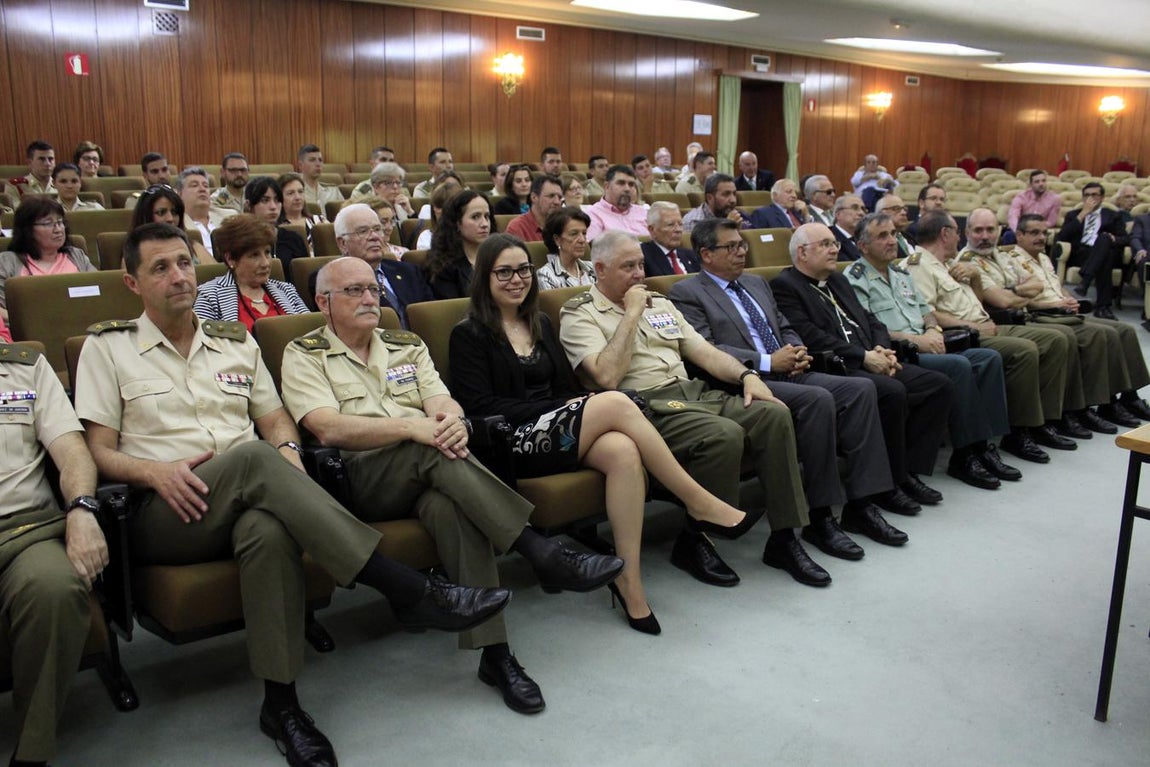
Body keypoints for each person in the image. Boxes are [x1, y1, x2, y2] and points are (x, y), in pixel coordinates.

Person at [75, 223, 510, 767]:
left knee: (268, 525)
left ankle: (281, 705)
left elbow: (276, 420)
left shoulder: (233, 342)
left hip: (249, 499)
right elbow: (98, 451)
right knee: (258, 458)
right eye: (159, 268)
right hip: (166, 509)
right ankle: (403, 586)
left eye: (184, 263)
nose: (178, 276)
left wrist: (287, 456)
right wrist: (153, 473)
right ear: (132, 282)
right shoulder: (107, 347)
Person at [280, 255, 623, 713]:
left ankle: (496, 654)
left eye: (371, 288)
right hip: (360, 479)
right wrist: (415, 429)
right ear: (323, 302)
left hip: (431, 467)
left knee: (454, 507)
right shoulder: (304, 352)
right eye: (353, 291)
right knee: (430, 447)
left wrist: (453, 422)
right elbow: (327, 428)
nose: (369, 298)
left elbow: (441, 399)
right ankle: (537, 548)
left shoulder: (404, 343)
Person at [452, 233, 756, 631]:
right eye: (504, 272)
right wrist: (564, 408)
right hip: (511, 439)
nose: (517, 279)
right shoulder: (469, 334)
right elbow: (481, 408)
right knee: (614, 401)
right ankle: (697, 500)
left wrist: (567, 407)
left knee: (622, 451)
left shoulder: (539, 321)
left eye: (524, 269)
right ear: (484, 279)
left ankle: (628, 581)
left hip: (558, 428)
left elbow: (565, 389)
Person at [560, 230, 830, 590]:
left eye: (641, 264)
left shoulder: (661, 303)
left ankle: (784, 537)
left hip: (693, 394)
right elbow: (606, 377)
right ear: (600, 269)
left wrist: (747, 375)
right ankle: (696, 539)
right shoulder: (579, 313)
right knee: (724, 434)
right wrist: (630, 314)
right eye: (628, 267)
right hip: (640, 406)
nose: (640, 274)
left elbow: (704, 352)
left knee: (773, 414)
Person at [669, 218, 914, 556]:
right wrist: (769, 361)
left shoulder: (755, 283)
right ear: (706, 254)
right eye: (732, 247)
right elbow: (708, 349)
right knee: (818, 399)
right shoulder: (687, 292)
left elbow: (784, 326)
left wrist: (796, 351)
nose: (742, 252)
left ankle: (861, 504)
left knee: (861, 389)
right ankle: (820, 517)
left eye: (742, 245)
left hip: (790, 370)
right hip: (744, 382)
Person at [770, 223, 953, 508]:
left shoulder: (838, 280)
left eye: (835, 243)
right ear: (802, 252)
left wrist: (882, 348)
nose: (835, 249)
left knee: (936, 385)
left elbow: (871, 320)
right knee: (892, 392)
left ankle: (908, 470)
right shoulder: (786, 286)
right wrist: (864, 357)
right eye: (825, 244)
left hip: (870, 357)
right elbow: (811, 336)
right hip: (838, 366)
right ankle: (889, 483)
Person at [846, 212, 1019, 489]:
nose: (892, 241)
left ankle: (983, 446)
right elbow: (868, 327)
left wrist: (931, 330)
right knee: (959, 366)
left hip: (929, 342)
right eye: (882, 236)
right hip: (899, 350)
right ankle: (964, 455)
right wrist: (916, 340)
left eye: (893, 234)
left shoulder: (900, 272)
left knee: (988, 358)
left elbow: (927, 311)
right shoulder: (854, 278)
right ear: (863, 246)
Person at [0, 338, 107, 767]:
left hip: (25, 528)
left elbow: (74, 453)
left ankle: (32, 753)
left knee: (56, 588)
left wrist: (81, 508)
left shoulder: (25, 370)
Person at [903, 210, 1076, 462]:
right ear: (945, 234)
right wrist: (970, 325)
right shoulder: (919, 265)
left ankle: (1047, 419)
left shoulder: (950, 263)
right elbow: (927, 313)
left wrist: (974, 277)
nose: (959, 238)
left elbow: (978, 301)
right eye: (956, 231)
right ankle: (1019, 431)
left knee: (1056, 339)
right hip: (962, 333)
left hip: (986, 323)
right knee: (1024, 350)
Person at [961, 207, 1136, 431]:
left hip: (1028, 314)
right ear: (967, 232)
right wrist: (1021, 294)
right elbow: (1004, 301)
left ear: (999, 230)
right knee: (1072, 337)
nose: (985, 236)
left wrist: (1013, 290)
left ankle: (1107, 402)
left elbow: (1036, 285)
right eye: (978, 230)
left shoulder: (1002, 256)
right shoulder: (969, 261)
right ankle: (1065, 413)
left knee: (1120, 330)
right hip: (1013, 319)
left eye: (990, 229)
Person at [1007, 214, 1150, 422]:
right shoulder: (1012, 261)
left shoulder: (1044, 257)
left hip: (1063, 310)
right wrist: (1055, 304)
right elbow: (1019, 301)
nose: (1041, 237)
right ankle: (1100, 403)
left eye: (1044, 233)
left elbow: (1057, 287)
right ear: (1019, 235)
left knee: (1125, 330)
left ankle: (1130, 397)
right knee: (1103, 333)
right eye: (1034, 233)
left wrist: (1068, 298)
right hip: (1042, 315)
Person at [193, 214, 309, 331]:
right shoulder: (210, 296)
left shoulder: (287, 290)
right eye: (254, 255)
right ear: (230, 259)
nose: (265, 263)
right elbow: (205, 343)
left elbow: (311, 333)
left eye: (267, 252)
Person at [334, 204, 433, 328]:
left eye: (377, 229)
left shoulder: (409, 271)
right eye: (363, 231)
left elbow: (431, 318)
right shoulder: (332, 279)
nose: (374, 237)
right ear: (343, 243)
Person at [0, 197, 98, 322]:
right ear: (27, 229)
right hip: (30, 331)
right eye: (48, 223)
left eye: (60, 222)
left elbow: (98, 292)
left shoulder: (76, 255)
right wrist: (31, 321)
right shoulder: (8, 261)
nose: (58, 229)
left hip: (80, 323)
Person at [1057, 182, 1128, 318]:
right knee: (1104, 256)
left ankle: (1085, 281)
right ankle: (1103, 307)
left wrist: (1113, 239)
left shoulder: (1113, 215)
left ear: (1102, 198)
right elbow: (1062, 236)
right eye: (1087, 195)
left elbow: (1125, 238)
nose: (1091, 198)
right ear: (1083, 198)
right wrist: (1083, 214)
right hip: (1082, 253)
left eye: (1094, 195)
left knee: (1104, 240)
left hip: (1106, 251)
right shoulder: (1073, 215)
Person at [426, 190, 492, 300]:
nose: (485, 224)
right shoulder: (443, 268)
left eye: (487, 216)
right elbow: (455, 310)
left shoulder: (498, 257)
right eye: (475, 217)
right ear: (456, 223)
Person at [243, 176, 309, 280]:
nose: (273, 207)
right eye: (265, 200)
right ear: (248, 205)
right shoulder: (238, 241)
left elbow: (304, 279)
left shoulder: (293, 239)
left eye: (277, 200)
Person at [130, 184, 211, 265]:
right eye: (161, 212)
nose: (170, 219)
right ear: (145, 216)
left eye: (174, 212)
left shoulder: (194, 248)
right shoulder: (135, 253)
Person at [177, 167, 236, 257]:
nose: (202, 189)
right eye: (194, 185)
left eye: (206, 186)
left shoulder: (231, 216)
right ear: (180, 194)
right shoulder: (177, 223)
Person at [536, 207, 595, 289]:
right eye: (574, 234)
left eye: (584, 233)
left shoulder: (593, 268)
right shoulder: (546, 275)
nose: (582, 240)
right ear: (557, 240)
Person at [585, 165, 648, 239]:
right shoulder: (593, 214)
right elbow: (595, 247)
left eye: (631, 184)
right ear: (606, 186)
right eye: (621, 183)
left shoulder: (643, 212)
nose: (627, 189)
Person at [642, 202, 699, 276]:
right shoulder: (643, 257)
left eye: (680, 224)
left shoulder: (691, 255)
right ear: (652, 229)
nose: (678, 230)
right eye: (670, 225)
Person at [682, 173, 750, 234]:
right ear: (709, 198)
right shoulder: (693, 221)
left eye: (734, 194)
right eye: (726, 194)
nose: (733, 200)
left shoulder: (741, 216)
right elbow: (703, 247)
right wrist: (726, 227)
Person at [504, 174, 563, 243]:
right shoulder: (517, 227)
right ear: (534, 197)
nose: (557, 202)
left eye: (559, 197)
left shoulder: (564, 226)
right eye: (551, 196)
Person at [349, 162, 415, 221]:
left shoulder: (402, 204)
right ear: (376, 186)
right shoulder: (368, 208)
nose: (395, 187)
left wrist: (410, 211)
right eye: (388, 183)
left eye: (398, 182)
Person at [277, 172, 327, 247]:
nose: (297, 197)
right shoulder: (277, 227)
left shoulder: (320, 221)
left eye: (300, 192)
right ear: (279, 198)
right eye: (290, 193)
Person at [412, 181, 464, 251]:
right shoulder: (427, 237)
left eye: (450, 206)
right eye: (439, 206)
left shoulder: (472, 234)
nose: (444, 211)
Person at [296, 144, 344, 209]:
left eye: (320, 160)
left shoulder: (333, 191)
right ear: (300, 165)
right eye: (312, 160)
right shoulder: (295, 193)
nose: (318, 164)